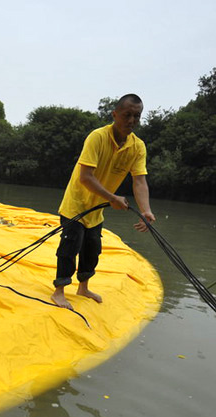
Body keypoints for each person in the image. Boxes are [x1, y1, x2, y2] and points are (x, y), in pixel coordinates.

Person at [51, 93, 156, 310]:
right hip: (76, 203)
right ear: (114, 114)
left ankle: (83, 287)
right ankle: (59, 291)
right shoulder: (97, 137)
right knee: (70, 247)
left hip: (96, 210)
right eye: (127, 115)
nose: (131, 121)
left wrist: (146, 211)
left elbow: (140, 182)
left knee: (92, 248)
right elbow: (85, 177)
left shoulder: (138, 147)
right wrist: (112, 198)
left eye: (137, 116)